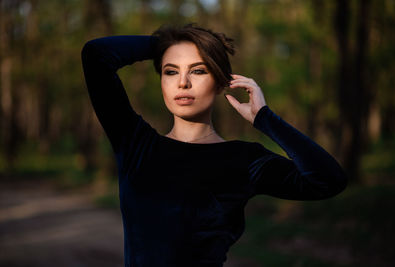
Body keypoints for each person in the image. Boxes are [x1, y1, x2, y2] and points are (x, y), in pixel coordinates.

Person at [81, 23, 347, 267]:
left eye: (198, 70)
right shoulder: (136, 145)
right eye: (170, 71)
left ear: (221, 82)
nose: (182, 82)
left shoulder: (244, 160)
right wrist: (165, 43)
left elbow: (328, 180)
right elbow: (97, 55)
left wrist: (266, 119)